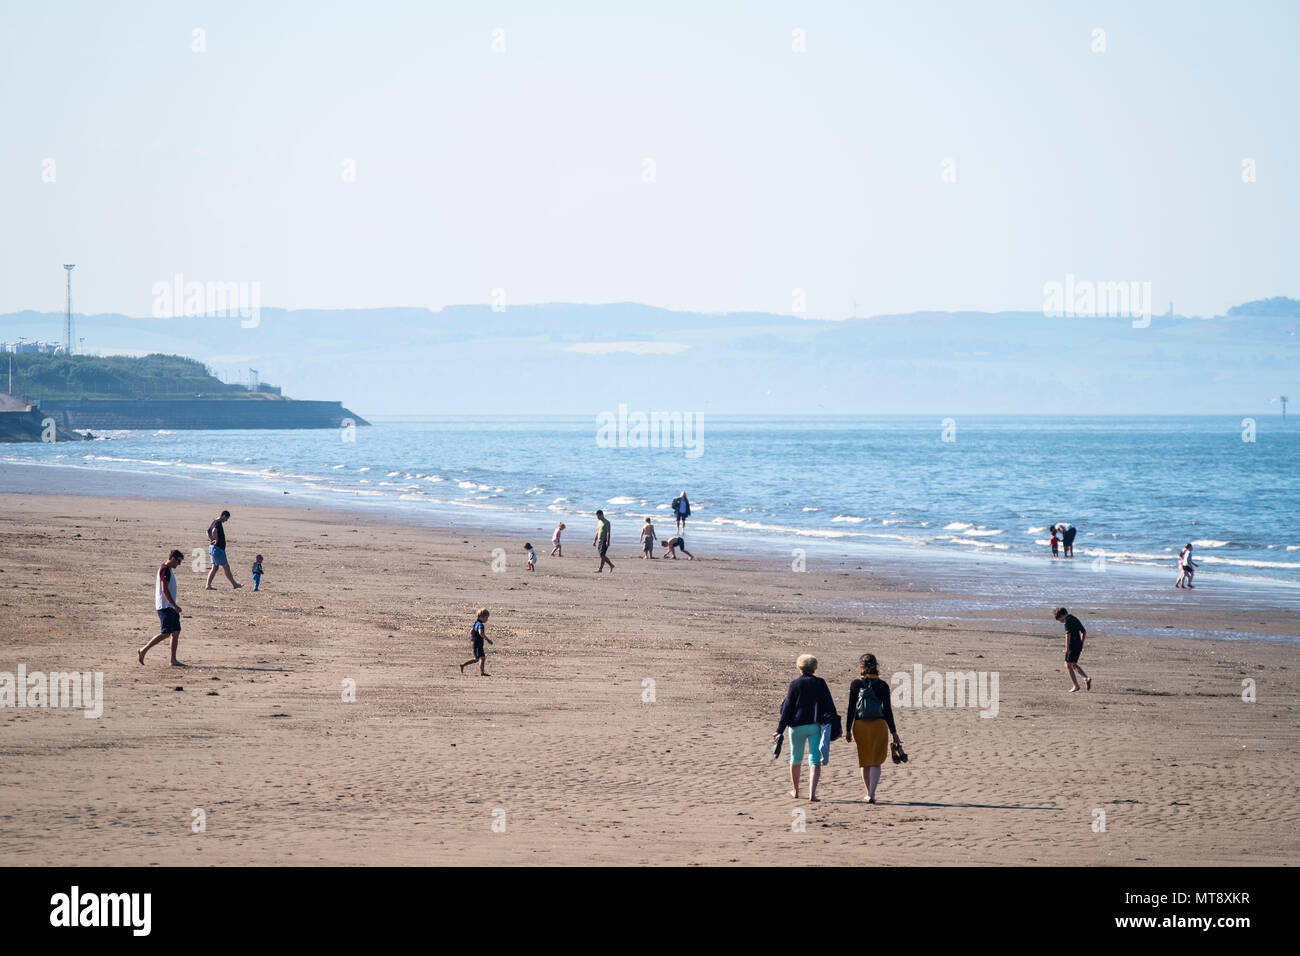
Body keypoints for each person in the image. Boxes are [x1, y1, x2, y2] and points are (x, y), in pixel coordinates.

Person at [772, 654, 838, 801]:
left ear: (799, 667)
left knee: (795, 757)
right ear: (815, 667)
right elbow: (829, 705)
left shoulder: (795, 684)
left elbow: (787, 708)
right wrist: (835, 725)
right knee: (815, 758)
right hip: (815, 725)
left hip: (796, 726)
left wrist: (779, 729)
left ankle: (795, 791)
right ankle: (812, 794)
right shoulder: (820, 683)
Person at [845, 653, 902, 803]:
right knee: (876, 761)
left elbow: (851, 708)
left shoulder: (856, 684)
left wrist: (847, 730)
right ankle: (872, 793)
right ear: (876, 666)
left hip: (860, 725)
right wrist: (893, 731)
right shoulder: (882, 685)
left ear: (861, 667)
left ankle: (867, 792)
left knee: (865, 760)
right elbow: (887, 710)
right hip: (879, 725)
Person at [139, 549, 186, 667]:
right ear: (173, 558)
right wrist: (175, 605)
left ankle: (173, 660)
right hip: (165, 607)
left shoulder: (168, 570)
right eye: (179, 561)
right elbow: (164, 589)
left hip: (170, 607)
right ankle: (143, 650)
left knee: (176, 632)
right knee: (165, 633)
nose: (179, 564)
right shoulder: (165, 569)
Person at [1054, 606, 1091, 692]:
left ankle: (1076, 685)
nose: (1060, 621)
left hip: (1072, 645)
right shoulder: (1075, 618)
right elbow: (1084, 631)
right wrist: (1081, 643)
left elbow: (1068, 634)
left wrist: (1067, 648)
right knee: (1073, 664)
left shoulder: (1067, 621)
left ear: (1062, 615)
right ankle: (1086, 678)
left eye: (1060, 619)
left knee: (1067, 665)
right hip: (1078, 645)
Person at [205, 510, 241, 590]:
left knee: (215, 568)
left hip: (213, 548)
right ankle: (234, 584)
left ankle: (208, 585)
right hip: (218, 549)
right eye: (226, 518)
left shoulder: (214, 522)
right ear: (223, 516)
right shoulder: (218, 523)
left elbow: (207, 531)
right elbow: (214, 531)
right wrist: (216, 540)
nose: (226, 520)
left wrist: (211, 539)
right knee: (226, 566)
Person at [459, 608, 493, 676]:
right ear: (481, 617)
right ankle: (482, 672)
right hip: (478, 644)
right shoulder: (480, 625)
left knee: (477, 659)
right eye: (486, 618)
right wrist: (487, 639)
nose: (487, 619)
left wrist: (473, 637)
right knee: (482, 658)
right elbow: (481, 633)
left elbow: (471, 631)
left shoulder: (476, 623)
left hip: (476, 644)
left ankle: (463, 665)